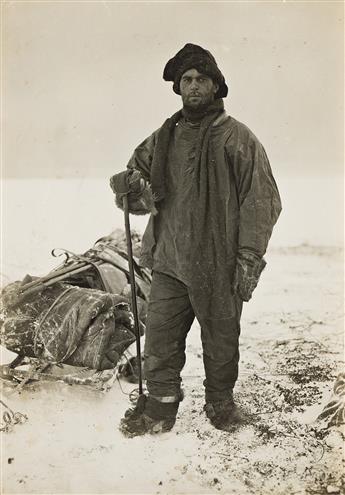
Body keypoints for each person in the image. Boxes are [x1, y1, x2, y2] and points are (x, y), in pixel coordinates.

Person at [110, 43, 282, 437]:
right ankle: (159, 408)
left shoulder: (237, 138)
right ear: (178, 86)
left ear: (217, 87)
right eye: (186, 80)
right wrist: (127, 187)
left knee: (221, 341)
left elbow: (262, 201)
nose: (193, 86)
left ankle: (220, 406)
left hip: (218, 262)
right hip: (169, 258)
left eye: (201, 80)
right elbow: (138, 196)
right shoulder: (163, 137)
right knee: (160, 338)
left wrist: (249, 259)